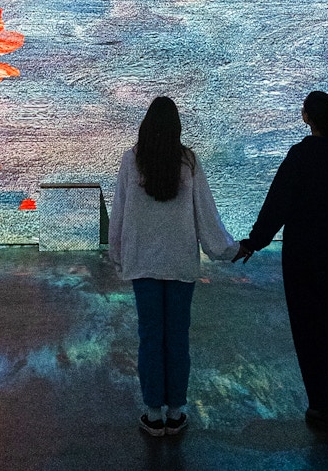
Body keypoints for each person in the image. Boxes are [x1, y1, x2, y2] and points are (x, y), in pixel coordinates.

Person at [233, 91, 328, 431]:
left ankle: (320, 406)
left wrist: (254, 242)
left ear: (305, 117)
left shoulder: (299, 157)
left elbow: (278, 204)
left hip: (306, 261)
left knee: (312, 330)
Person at [108, 96, 238, 437]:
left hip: (142, 264)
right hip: (180, 264)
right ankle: (177, 411)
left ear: (146, 126)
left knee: (150, 337)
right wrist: (227, 249)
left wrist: (118, 255)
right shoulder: (189, 163)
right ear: (177, 128)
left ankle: (153, 413)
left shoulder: (131, 161)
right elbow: (206, 216)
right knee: (177, 338)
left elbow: (118, 213)